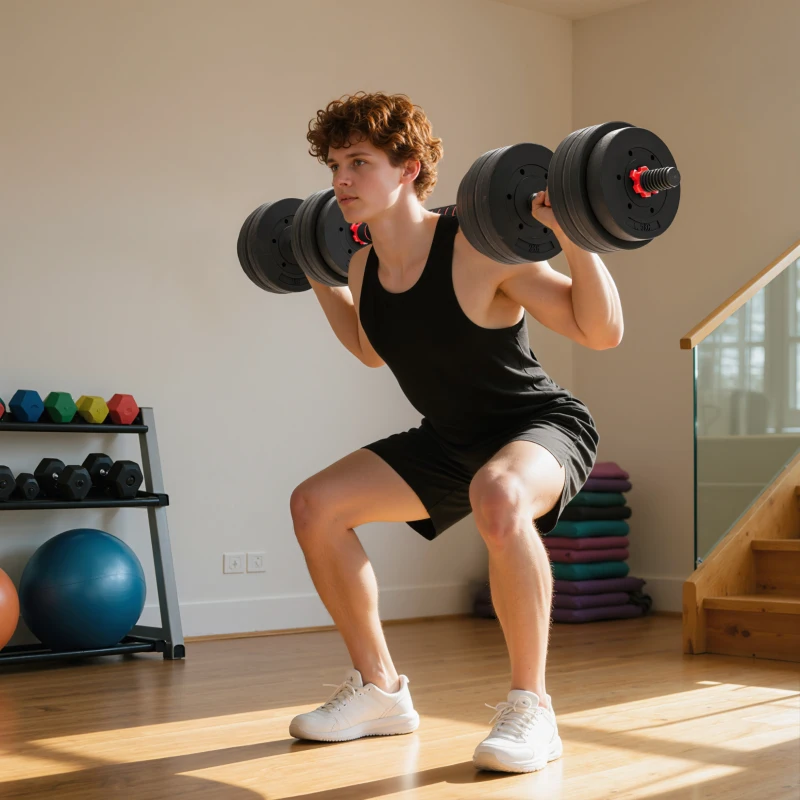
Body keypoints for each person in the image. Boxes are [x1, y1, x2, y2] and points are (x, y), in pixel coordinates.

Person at [287, 92, 622, 774]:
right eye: (334, 165)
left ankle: (532, 709)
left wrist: (576, 239)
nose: (339, 181)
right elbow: (369, 346)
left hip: (539, 425)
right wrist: (320, 275)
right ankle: (380, 690)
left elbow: (601, 331)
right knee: (315, 506)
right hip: (451, 438)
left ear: (409, 168)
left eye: (358, 163)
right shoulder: (360, 266)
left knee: (496, 494)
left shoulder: (479, 246)